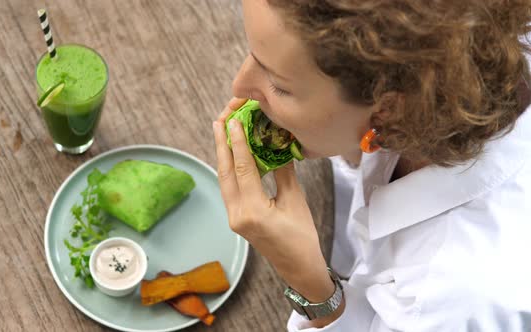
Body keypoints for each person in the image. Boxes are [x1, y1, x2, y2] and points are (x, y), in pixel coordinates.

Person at [211, 0, 531, 331]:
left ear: (389, 109)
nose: (240, 86)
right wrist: (348, 143)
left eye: (279, 85)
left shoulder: (451, 295)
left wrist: (309, 281)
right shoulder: (452, 64)